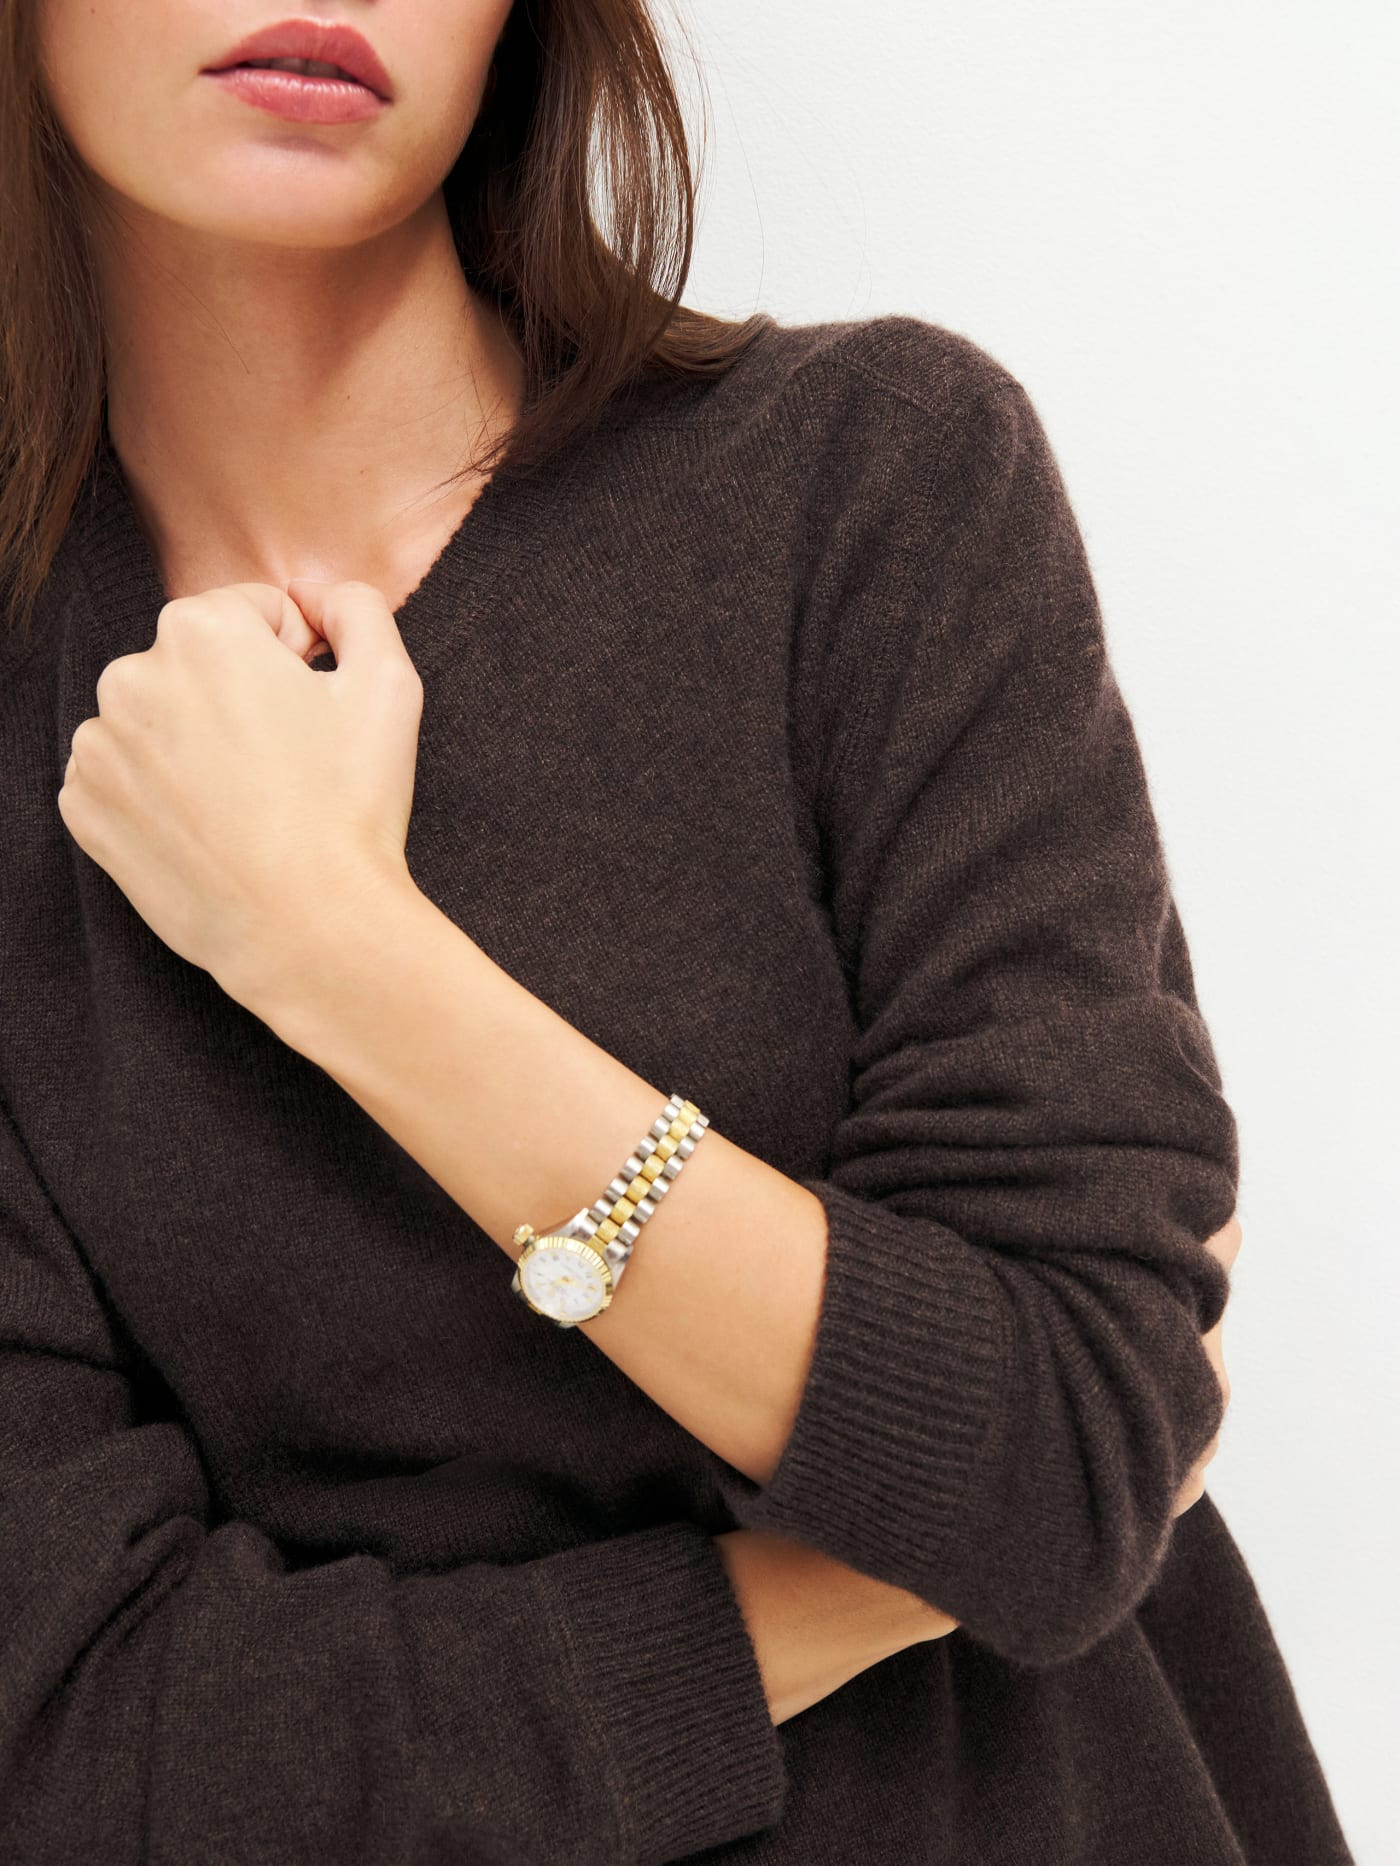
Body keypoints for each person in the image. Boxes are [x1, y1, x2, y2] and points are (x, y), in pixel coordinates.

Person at [0, 3, 1356, 1863]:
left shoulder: (869, 484)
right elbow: (81, 1749)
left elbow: (1065, 1444)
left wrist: (338, 946)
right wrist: (845, 1586)